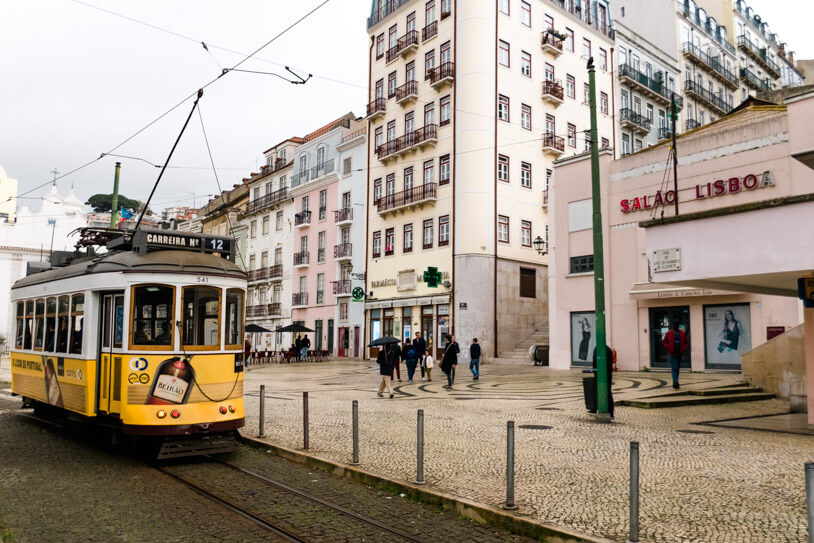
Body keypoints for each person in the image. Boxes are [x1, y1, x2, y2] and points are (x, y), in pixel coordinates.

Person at [662, 320, 688, 389]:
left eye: (677, 324)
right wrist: (669, 347)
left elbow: (686, 342)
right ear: (673, 326)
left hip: (679, 353)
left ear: (678, 325)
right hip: (672, 353)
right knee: (675, 367)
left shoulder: (682, 333)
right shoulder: (669, 333)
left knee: (677, 368)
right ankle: (675, 382)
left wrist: (683, 349)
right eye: (675, 324)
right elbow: (664, 342)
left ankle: (675, 381)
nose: (676, 326)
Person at [591, 344, 615, 419]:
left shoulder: (598, 348)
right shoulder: (608, 349)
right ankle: (611, 412)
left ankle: (595, 409)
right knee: (608, 392)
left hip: (600, 374)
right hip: (608, 374)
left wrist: (595, 372)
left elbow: (594, 362)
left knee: (600, 391)